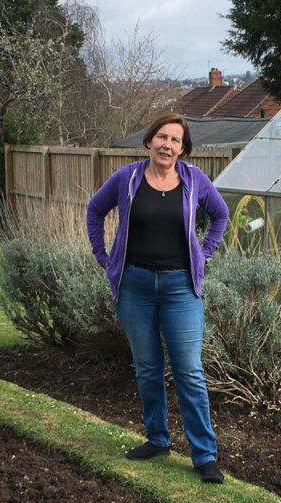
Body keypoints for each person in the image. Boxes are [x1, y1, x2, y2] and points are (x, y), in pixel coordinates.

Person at [86, 113, 230, 484]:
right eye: (162, 137)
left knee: (189, 371)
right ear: (149, 141)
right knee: (148, 367)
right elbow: (94, 210)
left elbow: (220, 215)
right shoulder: (127, 178)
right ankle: (158, 439)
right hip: (134, 286)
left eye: (176, 140)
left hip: (180, 288)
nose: (168, 145)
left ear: (183, 149)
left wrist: (205, 252)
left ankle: (204, 455)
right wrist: (105, 259)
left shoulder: (194, 180)